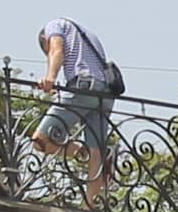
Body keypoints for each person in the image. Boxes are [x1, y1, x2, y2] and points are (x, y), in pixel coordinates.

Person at [32, 17, 121, 201]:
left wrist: (50, 77)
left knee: (40, 141)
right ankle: (90, 206)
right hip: (105, 95)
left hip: (83, 88)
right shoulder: (88, 37)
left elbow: (57, 50)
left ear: (44, 40)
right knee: (96, 154)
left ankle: (84, 153)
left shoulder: (54, 26)